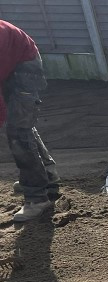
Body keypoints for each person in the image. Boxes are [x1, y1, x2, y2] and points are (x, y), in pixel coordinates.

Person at [1, 20, 60, 222]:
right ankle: (48, 176)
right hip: (9, 63)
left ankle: (37, 198)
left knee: (17, 132)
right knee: (21, 127)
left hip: (25, 67)